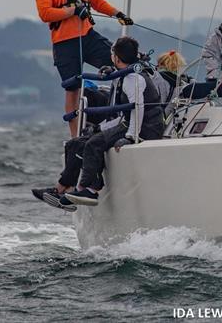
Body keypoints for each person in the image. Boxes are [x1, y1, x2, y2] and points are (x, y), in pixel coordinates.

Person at [32, 36, 164, 209]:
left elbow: (136, 110)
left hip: (145, 128)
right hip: (129, 122)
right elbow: (125, 115)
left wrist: (131, 137)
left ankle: (89, 189)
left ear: (116, 57)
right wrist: (99, 127)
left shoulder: (134, 79)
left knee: (94, 143)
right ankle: (64, 189)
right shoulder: (123, 76)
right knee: (76, 144)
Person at [34, 0, 133, 137]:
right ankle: (75, 136)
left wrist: (118, 14)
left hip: (87, 35)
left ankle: (126, 118)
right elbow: (45, 13)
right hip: (64, 43)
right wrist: (70, 11)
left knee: (121, 64)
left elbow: (96, 0)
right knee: (72, 88)